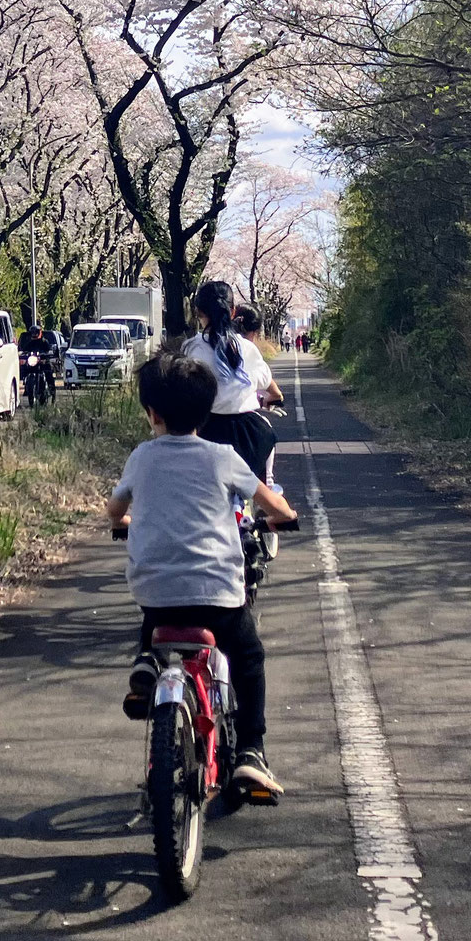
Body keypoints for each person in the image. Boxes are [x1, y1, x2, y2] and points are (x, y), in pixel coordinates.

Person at [107, 350, 298, 798]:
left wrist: (121, 524)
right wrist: (286, 516)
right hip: (217, 594)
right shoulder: (222, 456)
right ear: (207, 412)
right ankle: (251, 752)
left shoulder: (141, 457)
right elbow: (270, 502)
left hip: (154, 592)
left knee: (157, 610)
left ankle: (147, 663)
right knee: (248, 658)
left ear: (151, 413)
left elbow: (116, 509)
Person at [183, 281, 285, 486]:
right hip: (247, 435)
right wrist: (273, 399)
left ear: (198, 312)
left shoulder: (191, 348)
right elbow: (271, 388)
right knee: (266, 435)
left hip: (205, 431)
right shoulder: (247, 348)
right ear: (233, 311)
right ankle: (268, 491)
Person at [18, 321, 56, 400]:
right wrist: (22, 353)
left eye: (36, 332)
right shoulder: (30, 343)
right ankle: (27, 386)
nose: (34, 334)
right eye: (33, 332)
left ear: (40, 332)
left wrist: (47, 354)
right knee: (25, 369)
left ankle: (52, 391)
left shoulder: (44, 342)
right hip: (34, 362)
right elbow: (25, 350)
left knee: (48, 373)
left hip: (43, 362)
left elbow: (49, 350)